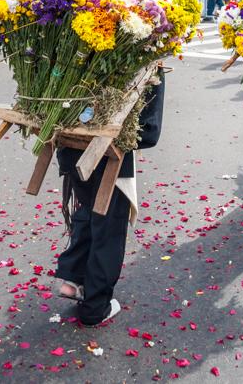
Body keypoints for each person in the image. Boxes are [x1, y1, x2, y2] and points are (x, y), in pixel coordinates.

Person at [56, 71, 165, 326]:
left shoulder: (76, 39)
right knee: (108, 227)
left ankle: (73, 278)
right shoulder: (147, 59)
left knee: (87, 211)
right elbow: (148, 132)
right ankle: (95, 308)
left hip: (71, 150)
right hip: (109, 159)